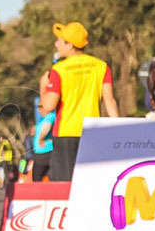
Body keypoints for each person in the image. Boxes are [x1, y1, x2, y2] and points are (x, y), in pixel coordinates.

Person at [39, 22, 119, 181]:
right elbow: (109, 100)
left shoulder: (59, 70)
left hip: (66, 133)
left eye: (59, 41)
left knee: (64, 185)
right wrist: (117, 130)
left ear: (70, 45)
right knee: (90, 182)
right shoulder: (101, 66)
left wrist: (42, 87)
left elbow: (48, 106)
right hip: (92, 132)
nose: (56, 44)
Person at [32, 102, 55, 182]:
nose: (39, 109)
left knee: (38, 177)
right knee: (37, 178)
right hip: (39, 151)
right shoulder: (42, 118)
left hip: (46, 151)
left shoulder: (50, 116)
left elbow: (47, 127)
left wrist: (41, 139)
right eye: (38, 107)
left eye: (41, 107)